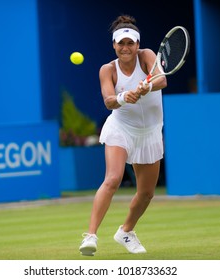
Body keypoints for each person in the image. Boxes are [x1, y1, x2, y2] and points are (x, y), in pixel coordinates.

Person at [79, 15, 167, 256]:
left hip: (149, 132)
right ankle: (90, 236)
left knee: (147, 193)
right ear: (114, 45)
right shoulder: (107, 69)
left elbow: (161, 79)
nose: (126, 48)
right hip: (121, 128)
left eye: (130, 43)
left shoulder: (147, 56)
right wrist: (122, 97)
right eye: (121, 43)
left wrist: (146, 86)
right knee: (113, 178)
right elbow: (108, 100)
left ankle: (126, 231)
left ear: (137, 44)